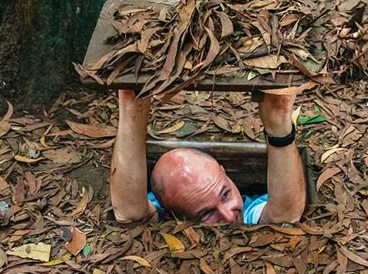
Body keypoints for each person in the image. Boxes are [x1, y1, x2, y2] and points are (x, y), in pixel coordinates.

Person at [110, 90, 306, 224]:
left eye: (225, 194)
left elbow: (285, 216)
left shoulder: (249, 209)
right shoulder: (164, 210)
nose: (228, 216)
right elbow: (130, 213)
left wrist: (279, 125)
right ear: (173, 217)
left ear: (224, 171)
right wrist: (131, 110)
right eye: (206, 214)